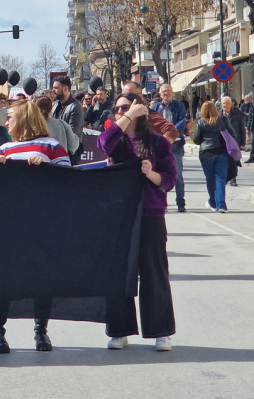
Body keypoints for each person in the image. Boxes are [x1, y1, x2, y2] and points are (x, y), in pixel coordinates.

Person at [0, 99, 70, 354]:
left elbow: (70, 182)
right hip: (8, 225)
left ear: (23, 118)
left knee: (41, 277)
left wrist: (45, 168)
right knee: (2, 278)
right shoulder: (4, 148)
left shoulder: (52, 146)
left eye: (10, 116)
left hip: (42, 224)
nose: (6, 121)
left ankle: (41, 332)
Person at [98, 93, 176, 352]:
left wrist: (151, 173)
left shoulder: (157, 143)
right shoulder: (117, 141)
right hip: (119, 216)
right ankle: (120, 330)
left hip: (151, 215)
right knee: (119, 274)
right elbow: (103, 143)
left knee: (155, 273)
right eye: (118, 108)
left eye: (126, 107)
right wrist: (129, 116)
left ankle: (162, 331)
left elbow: (169, 179)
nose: (120, 112)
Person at [150, 84, 188, 213]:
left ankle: (180, 202)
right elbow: (152, 124)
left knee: (177, 175)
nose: (166, 94)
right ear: (160, 94)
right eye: (164, 92)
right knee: (161, 174)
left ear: (172, 93)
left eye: (168, 91)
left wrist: (170, 134)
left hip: (176, 145)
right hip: (160, 146)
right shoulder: (155, 107)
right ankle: (163, 202)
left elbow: (182, 121)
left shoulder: (179, 106)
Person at [194, 101, 231, 213]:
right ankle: (221, 205)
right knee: (220, 178)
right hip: (221, 152)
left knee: (210, 179)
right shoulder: (222, 120)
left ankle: (213, 203)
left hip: (206, 154)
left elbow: (196, 140)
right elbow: (232, 134)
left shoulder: (201, 123)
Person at [50, 76, 84, 162]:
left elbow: (73, 133)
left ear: (65, 88)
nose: (53, 91)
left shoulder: (76, 107)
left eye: (56, 88)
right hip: (55, 151)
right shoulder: (55, 105)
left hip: (70, 154)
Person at [35, 96, 78, 160]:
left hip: (37, 162)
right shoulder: (62, 124)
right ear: (51, 108)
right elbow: (73, 145)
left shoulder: (31, 126)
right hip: (60, 163)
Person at [221, 96, 246, 187]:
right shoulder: (218, 115)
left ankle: (233, 179)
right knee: (223, 160)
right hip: (222, 142)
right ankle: (224, 178)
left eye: (227, 103)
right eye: (223, 103)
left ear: (231, 104)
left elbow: (241, 129)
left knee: (233, 161)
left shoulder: (237, 114)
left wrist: (242, 143)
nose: (225, 105)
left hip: (234, 141)